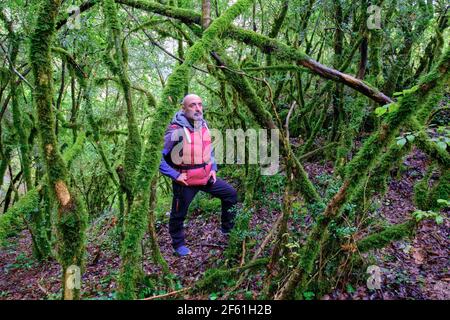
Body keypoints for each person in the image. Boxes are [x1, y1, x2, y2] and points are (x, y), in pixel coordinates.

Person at [159, 94, 238, 256]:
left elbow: (210, 149)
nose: (197, 108)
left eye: (200, 104)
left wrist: (213, 168)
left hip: (206, 177)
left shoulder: (204, 125)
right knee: (178, 214)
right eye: (192, 105)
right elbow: (156, 158)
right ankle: (178, 245)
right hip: (185, 181)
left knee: (230, 194)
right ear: (183, 108)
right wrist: (175, 175)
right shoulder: (175, 130)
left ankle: (227, 230)